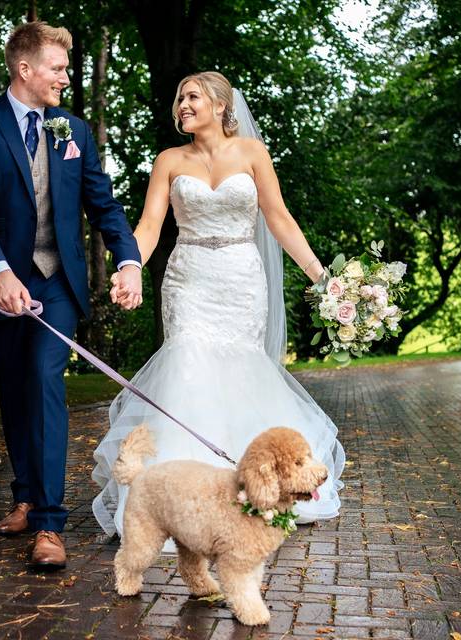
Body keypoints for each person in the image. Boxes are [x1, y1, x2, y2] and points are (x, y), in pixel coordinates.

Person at [93, 72, 345, 548]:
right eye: (179, 97)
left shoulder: (252, 154)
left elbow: (279, 218)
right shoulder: (169, 160)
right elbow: (148, 225)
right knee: (187, 364)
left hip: (240, 279)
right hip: (188, 278)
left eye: (192, 96)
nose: (182, 105)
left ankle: (259, 491)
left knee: (239, 371)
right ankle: (180, 503)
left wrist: (324, 280)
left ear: (220, 105)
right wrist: (130, 268)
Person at [0, 21, 142, 571]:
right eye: (56, 67)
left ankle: (51, 524)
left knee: (42, 379)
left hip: (57, 281)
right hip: (3, 282)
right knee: (13, 391)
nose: (64, 75)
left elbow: (102, 204)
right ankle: (25, 496)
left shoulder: (72, 129)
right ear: (25, 69)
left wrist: (127, 260)